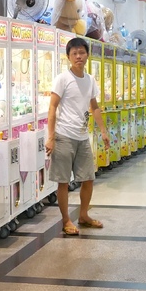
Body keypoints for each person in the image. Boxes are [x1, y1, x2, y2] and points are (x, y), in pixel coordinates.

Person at [46, 37, 110, 236]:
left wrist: (104, 131)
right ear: (68, 57)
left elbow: (95, 108)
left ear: (87, 55)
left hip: (82, 137)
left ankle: (83, 215)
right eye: (74, 53)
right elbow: (52, 107)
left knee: (88, 178)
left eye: (81, 52)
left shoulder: (90, 80)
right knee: (63, 181)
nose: (78, 56)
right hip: (64, 136)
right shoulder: (63, 79)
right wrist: (50, 136)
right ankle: (66, 220)